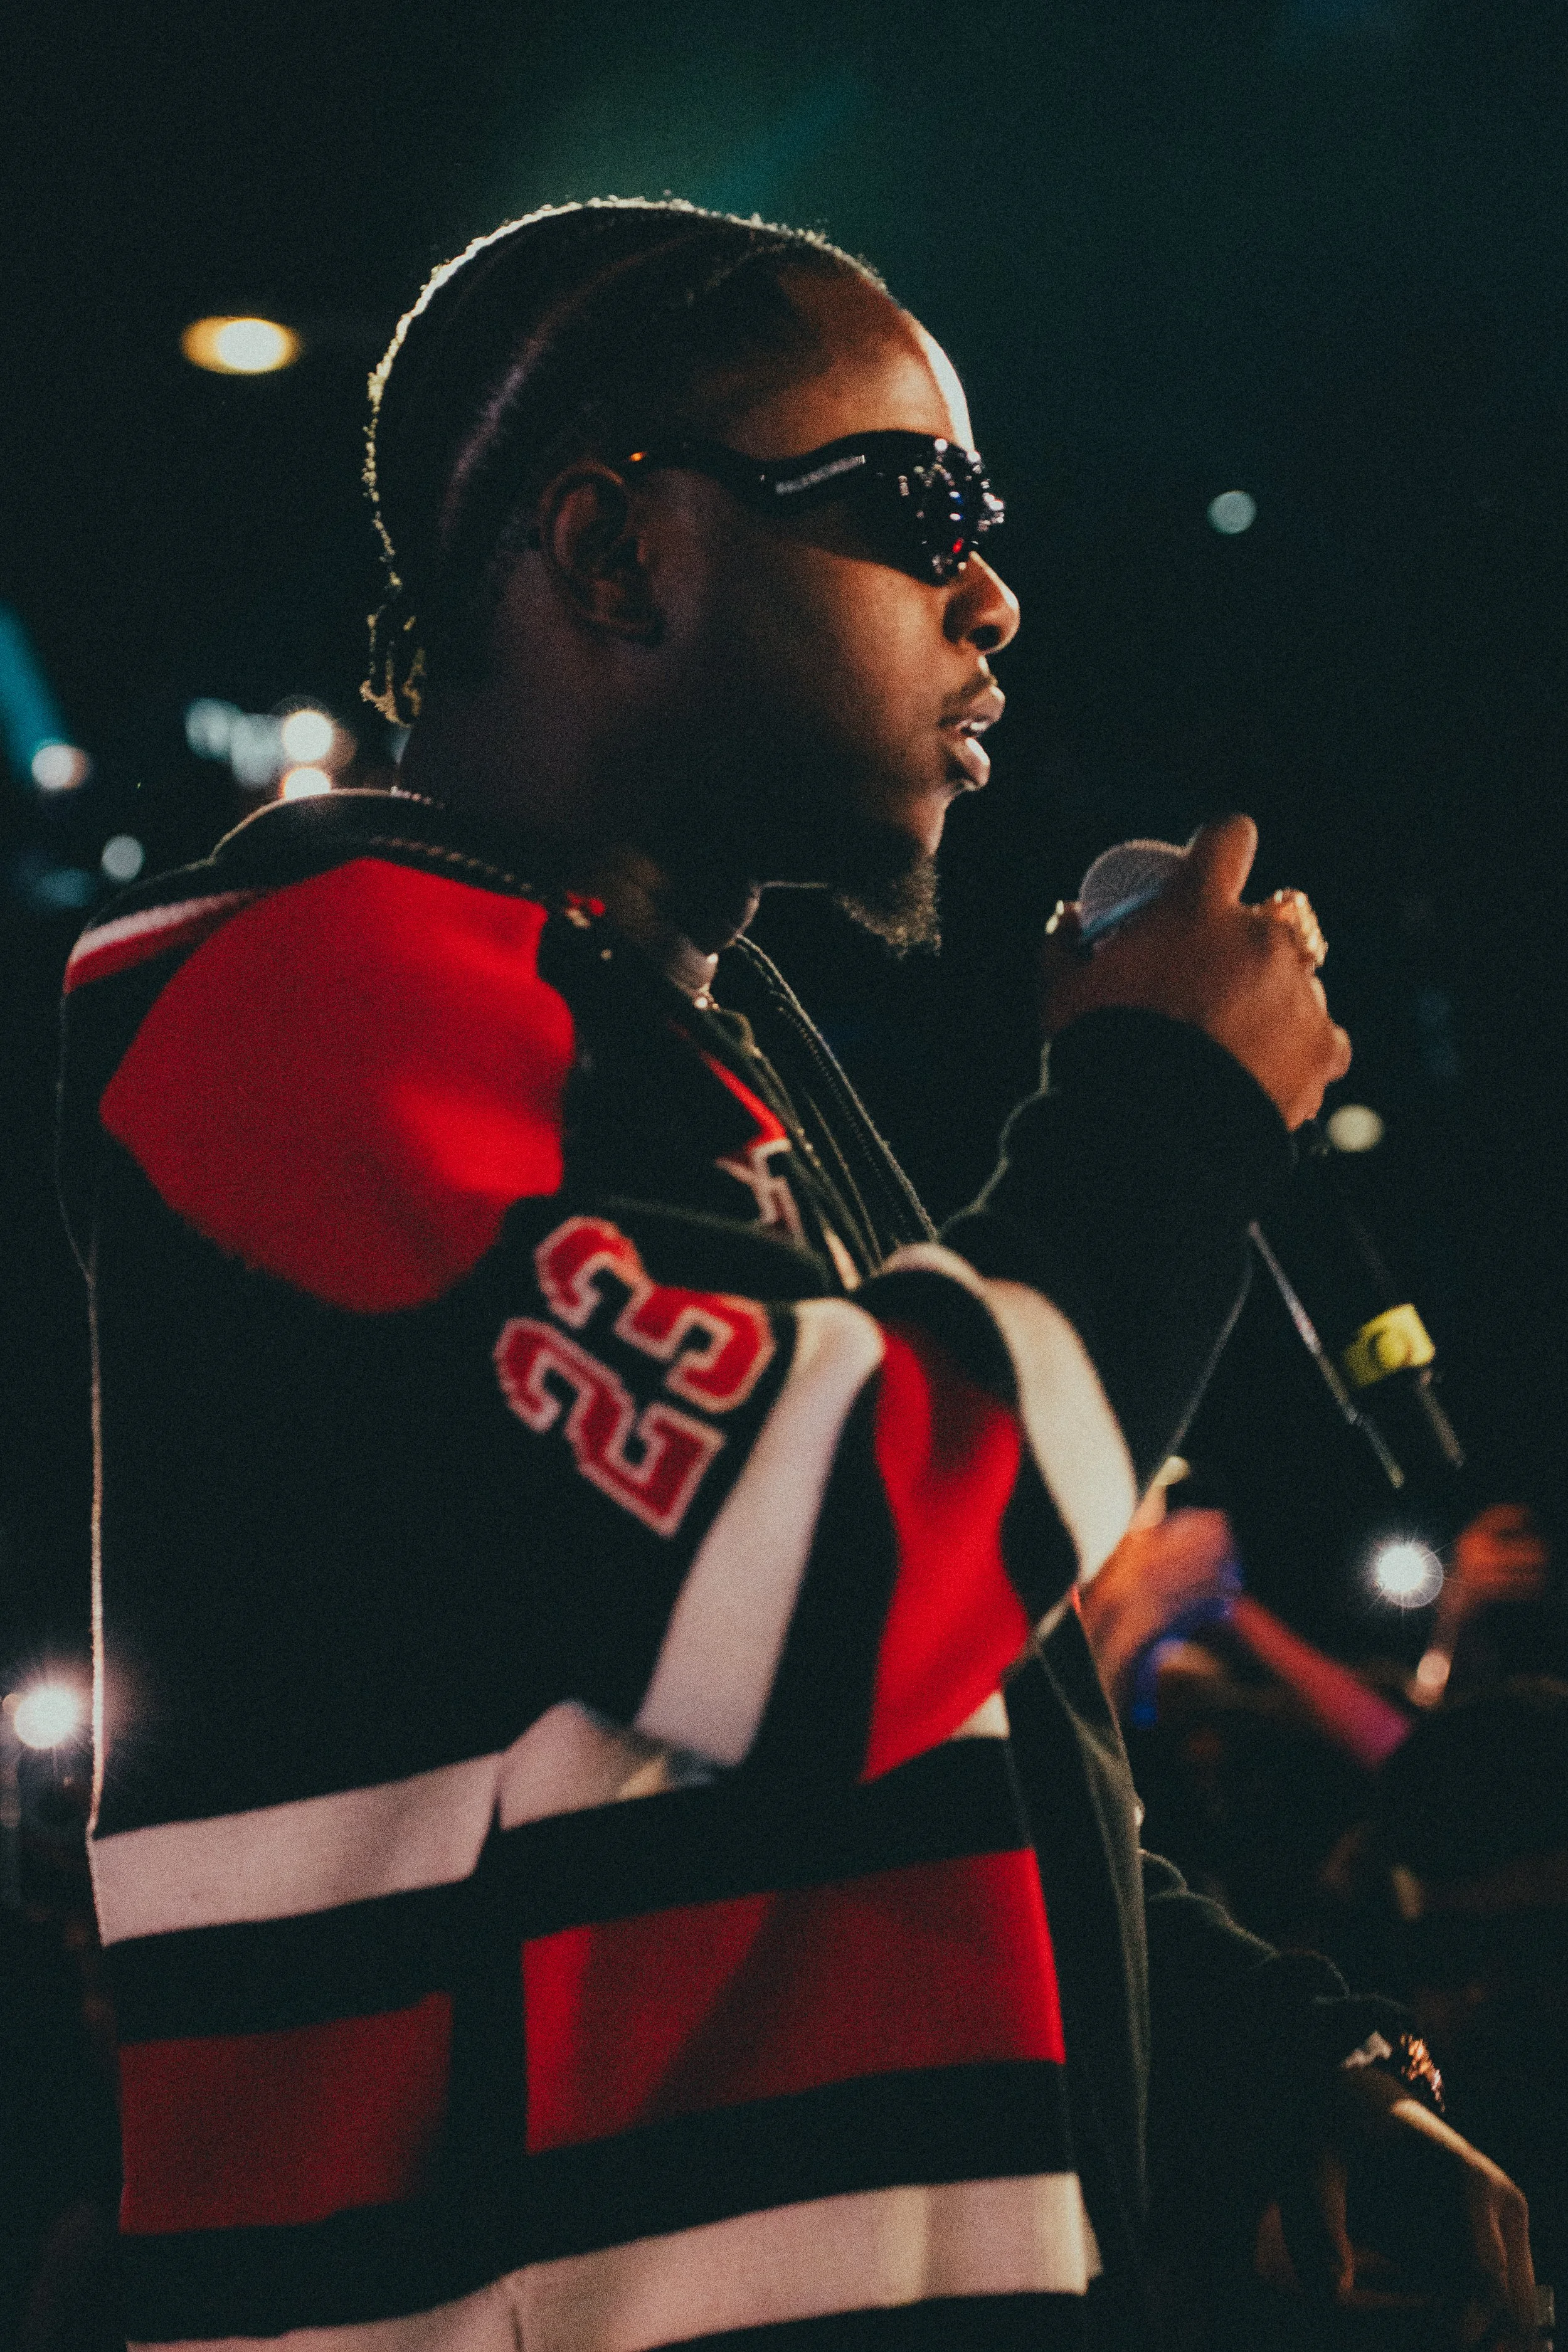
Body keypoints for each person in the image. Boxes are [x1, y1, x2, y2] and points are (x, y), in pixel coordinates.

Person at [57, 200, 1537, 2352]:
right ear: (611, 550)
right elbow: (830, 1583)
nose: (991, 591)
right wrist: (1164, 1106)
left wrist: (1269, 2064)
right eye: (915, 504)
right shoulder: (302, 990)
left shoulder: (687, 1046)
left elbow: (942, 1728)